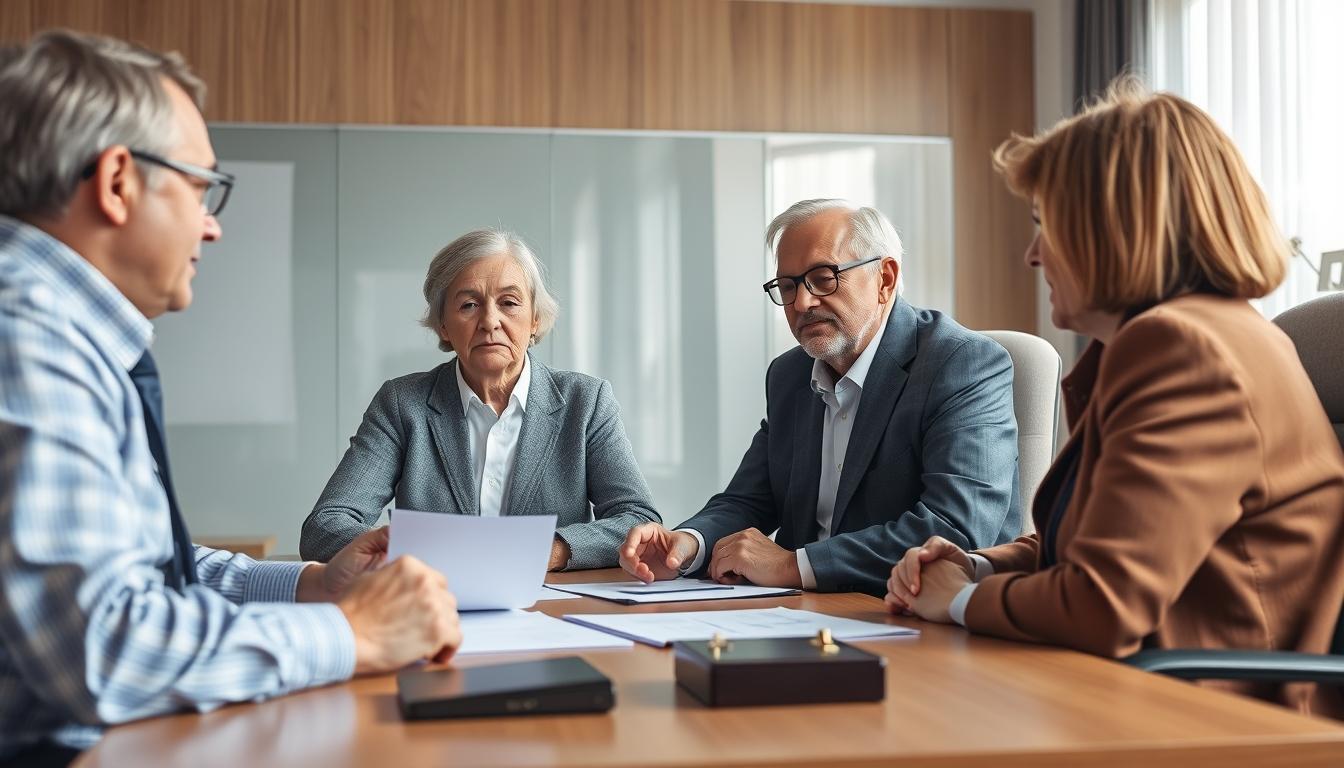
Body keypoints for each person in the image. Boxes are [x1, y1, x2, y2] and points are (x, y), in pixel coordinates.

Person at [0, 31, 461, 766]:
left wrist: (312, 586)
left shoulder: (59, 330)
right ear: (118, 181)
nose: (211, 225)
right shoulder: (25, 340)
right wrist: (354, 635)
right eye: (200, 186)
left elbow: (152, 567)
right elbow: (107, 652)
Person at [886, 78, 1344, 717]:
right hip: (1141, 689)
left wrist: (956, 601)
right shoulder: (1179, 338)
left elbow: (1105, 605)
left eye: (1046, 223)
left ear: (1110, 227)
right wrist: (972, 565)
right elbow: (1089, 547)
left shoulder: (1184, 349)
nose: (1033, 254)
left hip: (1221, 716)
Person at [619, 199, 1022, 596]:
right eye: (788, 286)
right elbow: (750, 498)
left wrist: (793, 565)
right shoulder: (789, 375)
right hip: (804, 615)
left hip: (917, 616)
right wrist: (686, 545)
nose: (802, 303)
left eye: (824, 278)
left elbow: (956, 528)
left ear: (885, 279)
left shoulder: (961, 363)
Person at [300, 229, 660, 570]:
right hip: (435, 607)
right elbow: (325, 526)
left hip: (550, 610)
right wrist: (416, 554)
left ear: (534, 318)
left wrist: (549, 550)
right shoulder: (402, 404)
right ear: (443, 325)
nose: (490, 321)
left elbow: (638, 519)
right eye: (469, 305)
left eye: (509, 302)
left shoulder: (586, 402)